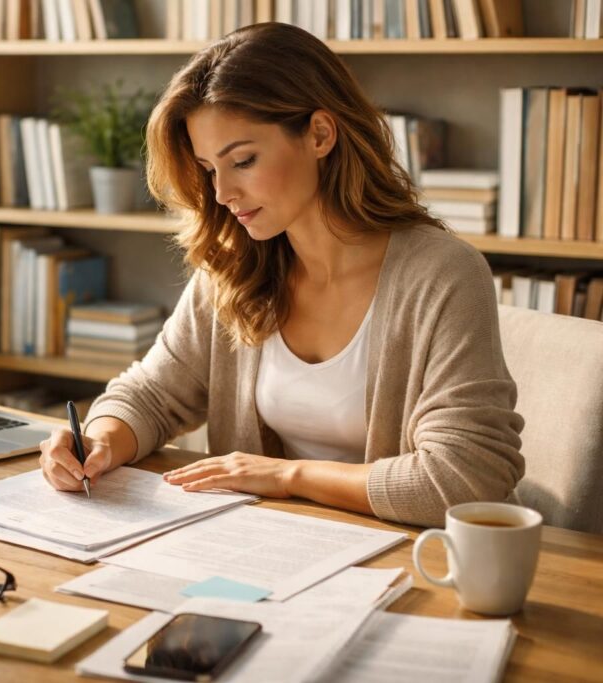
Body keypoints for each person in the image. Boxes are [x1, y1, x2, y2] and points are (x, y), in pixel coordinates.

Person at [38, 22, 523, 528]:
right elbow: (153, 395)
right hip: (273, 552)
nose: (223, 193)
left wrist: (287, 476)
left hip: (412, 561)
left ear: (319, 134)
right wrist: (99, 440)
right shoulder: (235, 267)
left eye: (243, 160)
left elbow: (463, 477)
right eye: (208, 169)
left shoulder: (443, 276)